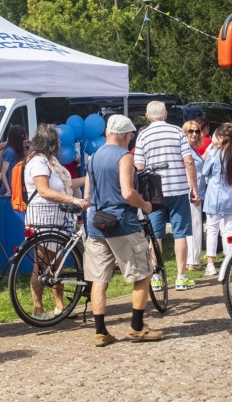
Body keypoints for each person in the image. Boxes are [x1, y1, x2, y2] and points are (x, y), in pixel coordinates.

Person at [83, 115, 162, 346]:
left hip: (96, 225)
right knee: (143, 274)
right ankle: (137, 327)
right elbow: (128, 193)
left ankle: (100, 332)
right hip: (123, 224)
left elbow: (87, 195)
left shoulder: (93, 156)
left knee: (99, 278)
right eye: (130, 136)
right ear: (127, 135)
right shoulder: (125, 157)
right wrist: (145, 205)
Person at [23, 124, 89, 318]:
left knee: (57, 263)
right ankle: (38, 309)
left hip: (55, 217)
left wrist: (88, 177)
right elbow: (44, 190)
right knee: (42, 265)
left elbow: (65, 185)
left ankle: (60, 307)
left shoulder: (50, 161)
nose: (61, 144)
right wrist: (73, 199)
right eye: (58, 140)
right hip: (42, 217)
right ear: (51, 142)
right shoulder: (37, 162)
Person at [133, 101, 200, 291]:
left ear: (147, 116)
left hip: (154, 192)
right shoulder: (177, 132)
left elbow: (139, 166)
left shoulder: (143, 135)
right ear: (165, 114)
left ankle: (155, 278)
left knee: (155, 235)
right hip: (178, 189)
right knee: (180, 234)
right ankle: (181, 277)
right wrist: (193, 188)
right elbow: (188, 161)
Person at [202, 123, 232, 276]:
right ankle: (230, 262)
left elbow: (204, 171)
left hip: (215, 196)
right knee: (230, 230)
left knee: (212, 230)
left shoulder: (214, 153)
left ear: (220, 137)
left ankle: (211, 265)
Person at [182, 120, 207, 271]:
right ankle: (193, 261)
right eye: (190, 131)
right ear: (185, 132)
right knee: (195, 225)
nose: (194, 134)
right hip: (191, 193)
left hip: (196, 191)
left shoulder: (192, 149)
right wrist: (193, 191)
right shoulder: (186, 150)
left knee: (193, 225)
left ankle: (191, 259)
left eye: (197, 131)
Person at [0, 125, 27, 196]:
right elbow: (3, 172)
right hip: (8, 190)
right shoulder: (10, 151)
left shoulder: (19, 150)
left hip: (16, 188)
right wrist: (8, 189)